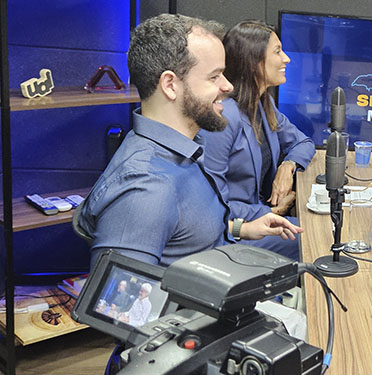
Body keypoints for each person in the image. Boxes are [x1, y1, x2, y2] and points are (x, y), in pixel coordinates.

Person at [77, 13, 302, 268]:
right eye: (214, 76)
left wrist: (245, 228)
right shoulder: (145, 188)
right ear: (171, 85)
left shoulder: (182, 150)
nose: (228, 86)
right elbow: (117, 305)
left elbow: (189, 232)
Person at [200, 20, 315, 260]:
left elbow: (303, 143)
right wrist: (271, 211)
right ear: (253, 62)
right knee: (316, 239)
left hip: (261, 217)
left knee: (319, 232)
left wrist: (288, 165)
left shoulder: (263, 105)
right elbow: (212, 204)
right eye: (277, 51)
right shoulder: (226, 117)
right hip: (234, 233)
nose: (286, 59)